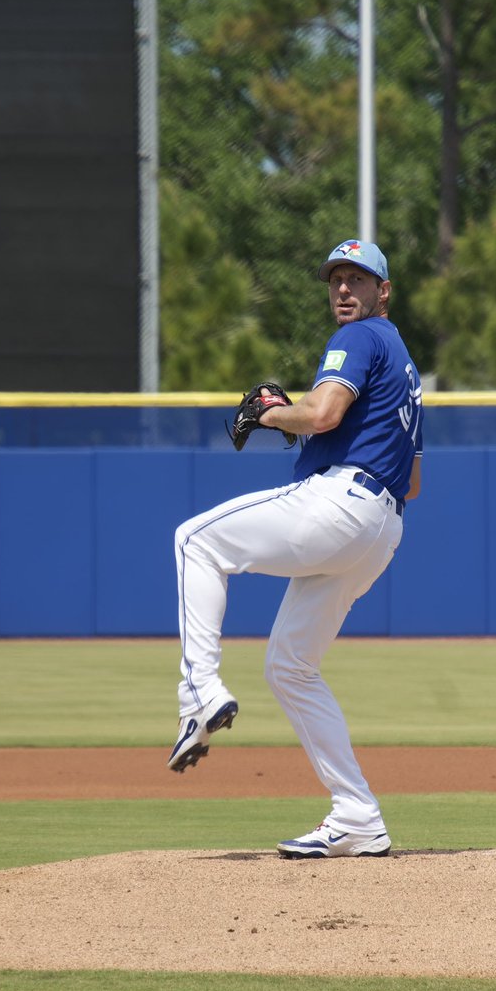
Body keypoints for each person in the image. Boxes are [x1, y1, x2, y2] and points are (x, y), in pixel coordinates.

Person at [169, 239, 423, 858]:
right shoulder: (405, 363)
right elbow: (413, 481)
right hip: (381, 528)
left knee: (194, 541)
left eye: (358, 279)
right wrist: (300, 417)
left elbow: (325, 412)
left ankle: (198, 690)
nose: (344, 289)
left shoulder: (362, 338)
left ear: (382, 292)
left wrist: (273, 413)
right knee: (290, 667)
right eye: (336, 279)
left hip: (341, 505)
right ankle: (358, 816)